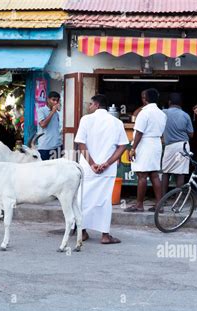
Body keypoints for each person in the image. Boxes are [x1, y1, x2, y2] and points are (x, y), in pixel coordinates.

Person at [75, 94, 129, 244]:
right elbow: (123, 145)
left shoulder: (86, 119)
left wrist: (92, 164)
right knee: (104, 201)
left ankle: (82, 232)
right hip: (107, 170)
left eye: (91, 104)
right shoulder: (116, 122)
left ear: (97, 105)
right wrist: (107, 163)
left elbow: (81, 144)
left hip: (87, 168)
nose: (89, 107)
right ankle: (105, 236)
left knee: (83, 199)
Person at [125, 88, 167, 213]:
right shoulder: (162, 113)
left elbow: (139, 132)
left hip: (145, 144)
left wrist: (133, 148)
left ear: (145, 99)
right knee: (154, 175)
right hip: (156, 144)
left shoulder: (144, 113)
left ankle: (139, 205)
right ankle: (159, 205)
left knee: (142, 175)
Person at [161, 93, 194, 195]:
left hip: (169, 146)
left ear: (169, 102)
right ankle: (178, 201)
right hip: (183, 146)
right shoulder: (185, 115)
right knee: (180, 174)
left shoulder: (163, 113)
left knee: (166, 172)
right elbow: (191, 134)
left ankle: (162, 200)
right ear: (181, 103)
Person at [37, 91, 63, 160]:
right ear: (48, 100)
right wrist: (52, 112)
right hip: (45, 147)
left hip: (57, 146)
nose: (55, 102)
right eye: (53, 100)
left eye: (57, 100)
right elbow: (43, 124)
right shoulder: (41, 110)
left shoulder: (57, 113)